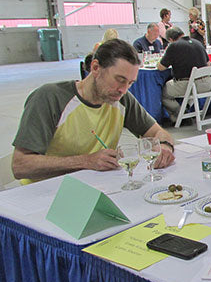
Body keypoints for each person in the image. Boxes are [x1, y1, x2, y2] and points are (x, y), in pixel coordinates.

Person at [11, 39, 175, 183]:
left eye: (130, 83)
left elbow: (158, 133)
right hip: (45, 192)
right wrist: (85, 161)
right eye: (119, 80)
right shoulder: (50, 98)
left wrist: (164, 148)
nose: (123, 90)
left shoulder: (121, 100)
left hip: (95, 186)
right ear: (95, 67)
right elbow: (20, 165)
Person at [158, 27, 210, 124]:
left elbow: (161, 67)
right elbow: (208, 64)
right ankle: (185, 110)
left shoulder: (173, 46)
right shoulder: (198, 43)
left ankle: (181, 114)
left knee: (164, 93)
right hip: (207, 83)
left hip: (189, 84)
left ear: (170, 39)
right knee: (188, 93)